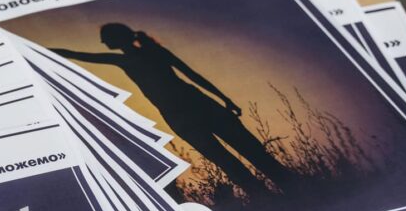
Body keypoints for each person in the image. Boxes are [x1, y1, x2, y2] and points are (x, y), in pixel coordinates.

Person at [51, 23, 293, 192]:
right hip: (190, 108)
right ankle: (277, 194)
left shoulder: (133, 57)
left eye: (106, 37)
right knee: (240, 154)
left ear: (118, 38)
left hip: (187, 110)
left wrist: (224, 99)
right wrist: (224, 99)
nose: (103, 42)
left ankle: (282, 192)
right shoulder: (136, 56)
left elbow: (191, 74)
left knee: (237, 155)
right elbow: (193, 76)